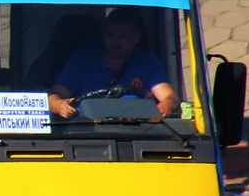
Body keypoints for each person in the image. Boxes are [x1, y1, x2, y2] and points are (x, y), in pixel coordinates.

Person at [47, 6, 180, 118]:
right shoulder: (82, 59)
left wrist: (167, 104)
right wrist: (59, 105)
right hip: (87, 129)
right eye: (110, 35)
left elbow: (170, 96)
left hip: (136, 130)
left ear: (137, 37)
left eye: (123, 36)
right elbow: (53, 97)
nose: (115, 42)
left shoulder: (147, 61)